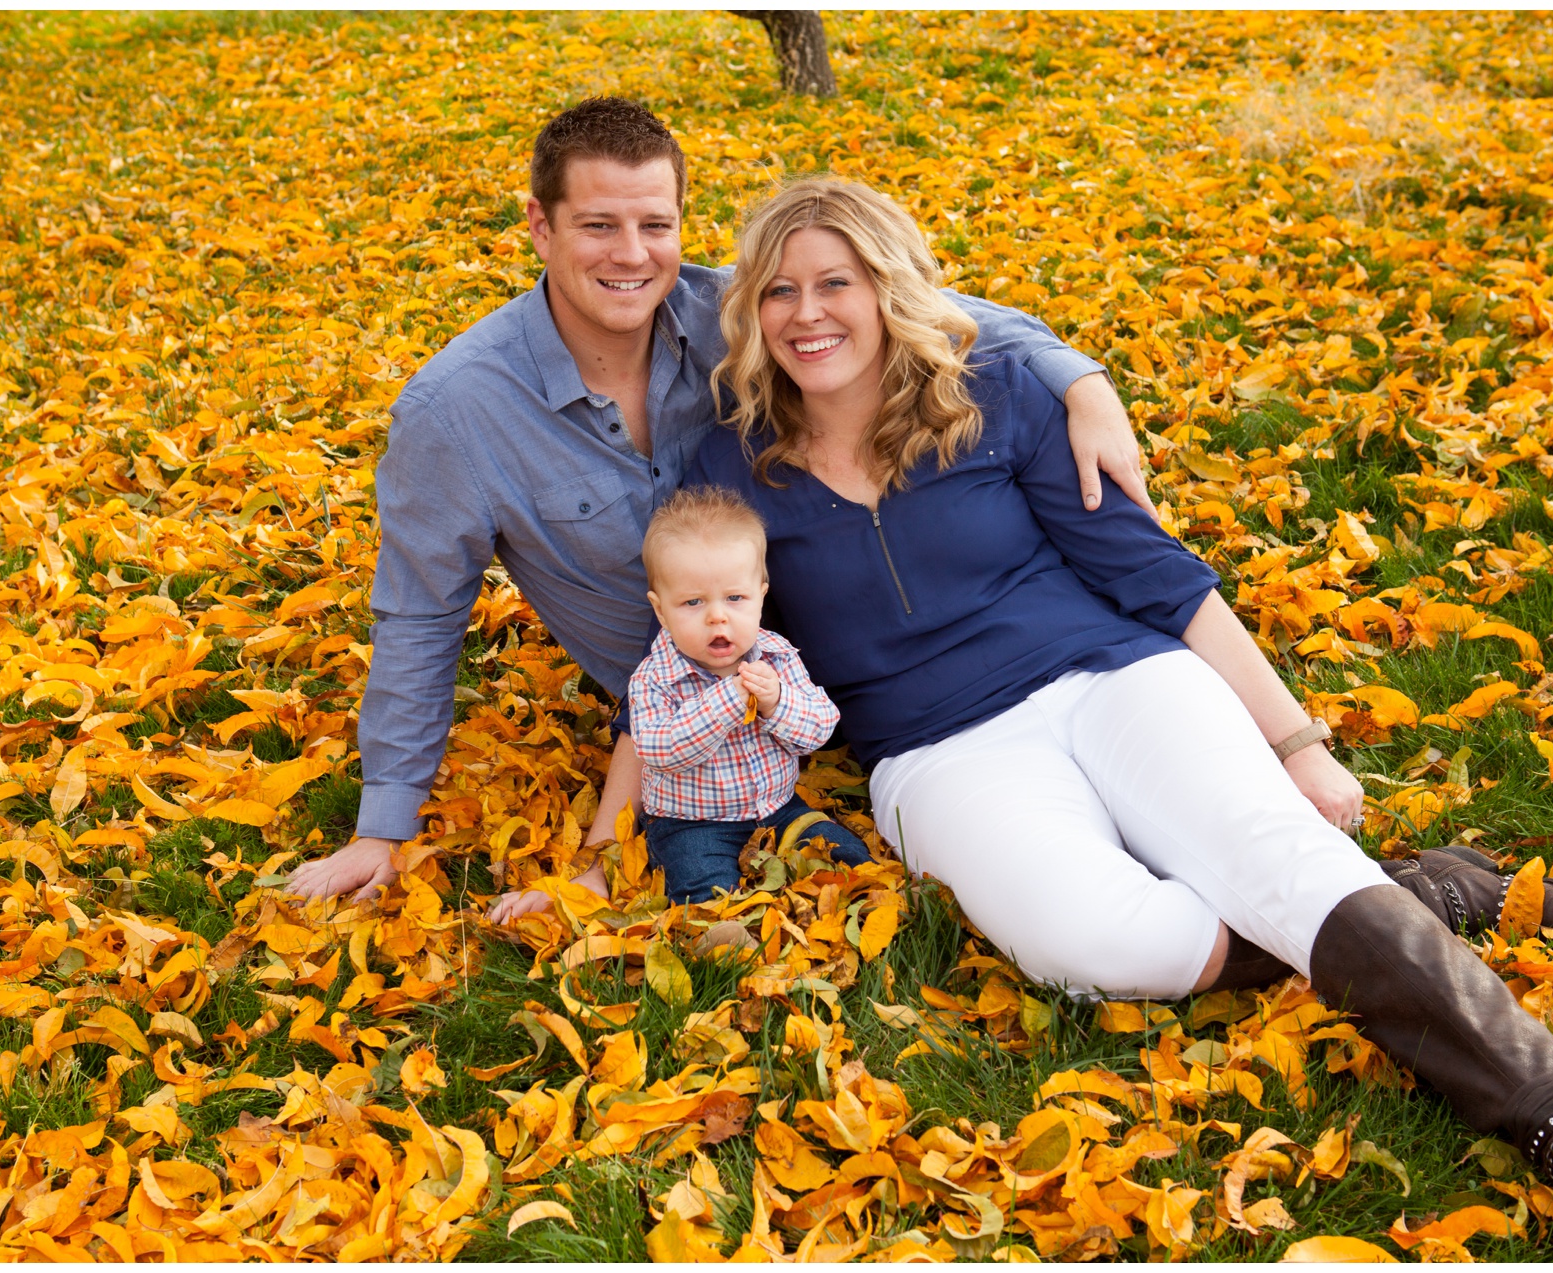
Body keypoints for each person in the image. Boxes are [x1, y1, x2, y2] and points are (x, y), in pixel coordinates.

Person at [682, 176, 1553, 1261]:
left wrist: (1296, 739)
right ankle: (1409, 899)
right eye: (779, 291)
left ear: (888, 287)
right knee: (1100, 947)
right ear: (751, 310)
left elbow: (1153, 574)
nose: (807, 315)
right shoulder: (731, 460)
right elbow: (702, 624)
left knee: (1269, 850)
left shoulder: (994, 392)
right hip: (937, 747)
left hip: (1111, 672)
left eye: (834, 283)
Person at [280, 98, 1154, 916]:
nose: (632, 255)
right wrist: (383, 824)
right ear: (540, 227)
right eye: (598, 226)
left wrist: (1078, 375)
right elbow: (418, 614)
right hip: (677, 708)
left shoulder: (733, 309)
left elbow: (912, 308)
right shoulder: (458, 414)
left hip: (887, 660)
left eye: (655, 226)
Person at [630, 486, 870, 901]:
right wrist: (725, 701)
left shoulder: (776, 656)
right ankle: (725, 939)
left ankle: (858, 900)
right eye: (692, 602)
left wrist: (777, 702)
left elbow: (817, 730)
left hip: (780, 809)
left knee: (844, 853)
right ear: (660, 610)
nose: (717, 615)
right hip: (692, 822)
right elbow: (660, 751)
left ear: (761, 596)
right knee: (700, 881)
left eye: (735, 598)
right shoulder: (655, 678)